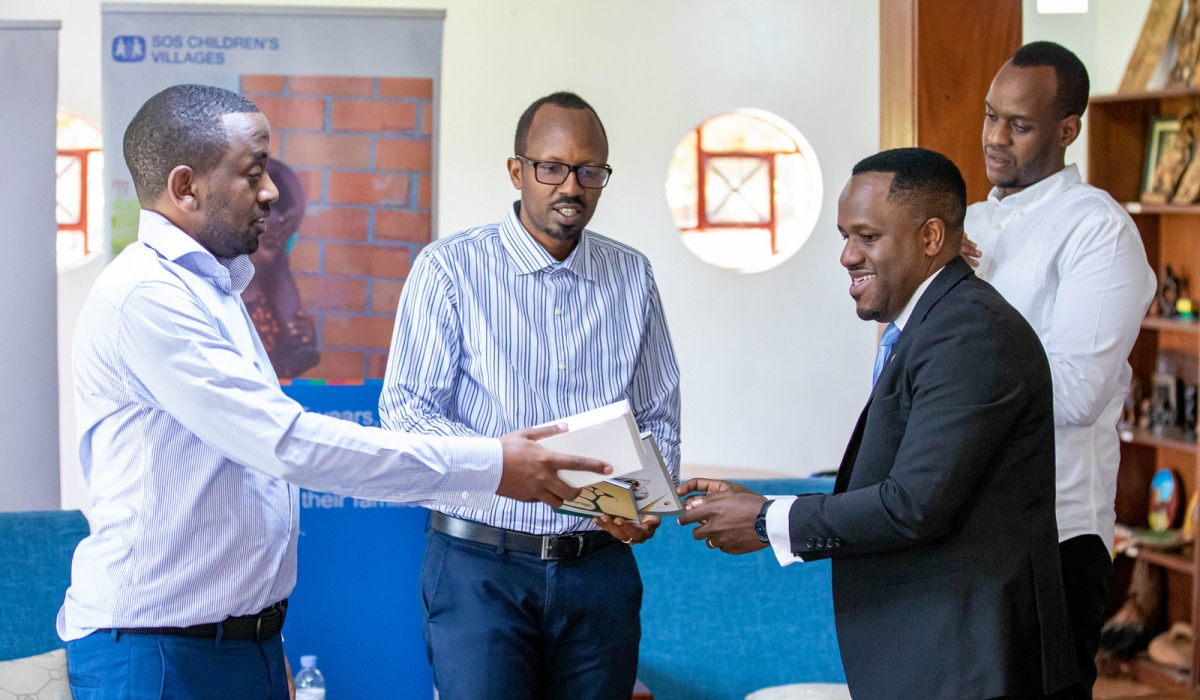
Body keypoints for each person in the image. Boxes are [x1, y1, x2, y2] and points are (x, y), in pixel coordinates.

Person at [61, 84, 609, 700]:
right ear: (186, 187)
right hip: (157, 655)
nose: (272, 191)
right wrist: (493, 464)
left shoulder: (212, 286)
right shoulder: (147, 296)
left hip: (236, 642)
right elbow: (286, 443)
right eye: (254, 172)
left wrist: (256, 633)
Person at [678, 148, 1078, 700]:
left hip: (969, 664)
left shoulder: (971, 333)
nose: (847, 256)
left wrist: (768, 519)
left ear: (931, 237)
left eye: (867, 237)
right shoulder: (932, 325)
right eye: (845, 236)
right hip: (933, 655)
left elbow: (913, 505)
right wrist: (764, 509)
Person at [380, 91, 680, 700]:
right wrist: (500, 461)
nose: (571, 186)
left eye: (589, 171)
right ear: (517, 171)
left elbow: (658, 415)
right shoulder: (449, 268)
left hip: (597, 568)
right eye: (552, 167)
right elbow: (406, 410)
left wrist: (643, 503)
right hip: (480, 568)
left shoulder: (632, 275)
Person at [962, 42, 1157, 697]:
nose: (995, 137)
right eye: (991, 116)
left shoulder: (1098, 230)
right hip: (960, 518)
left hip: (1053, 532)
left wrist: (954, 362)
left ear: (1068, 129)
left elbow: (1073, 394)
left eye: (1018, 125)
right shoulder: (969, 223)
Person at [241, 158, 319, 378]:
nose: (281, 223)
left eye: (287, 226)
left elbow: (290, 366)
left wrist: (302, 339)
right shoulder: (215, 290)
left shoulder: (276, 295)